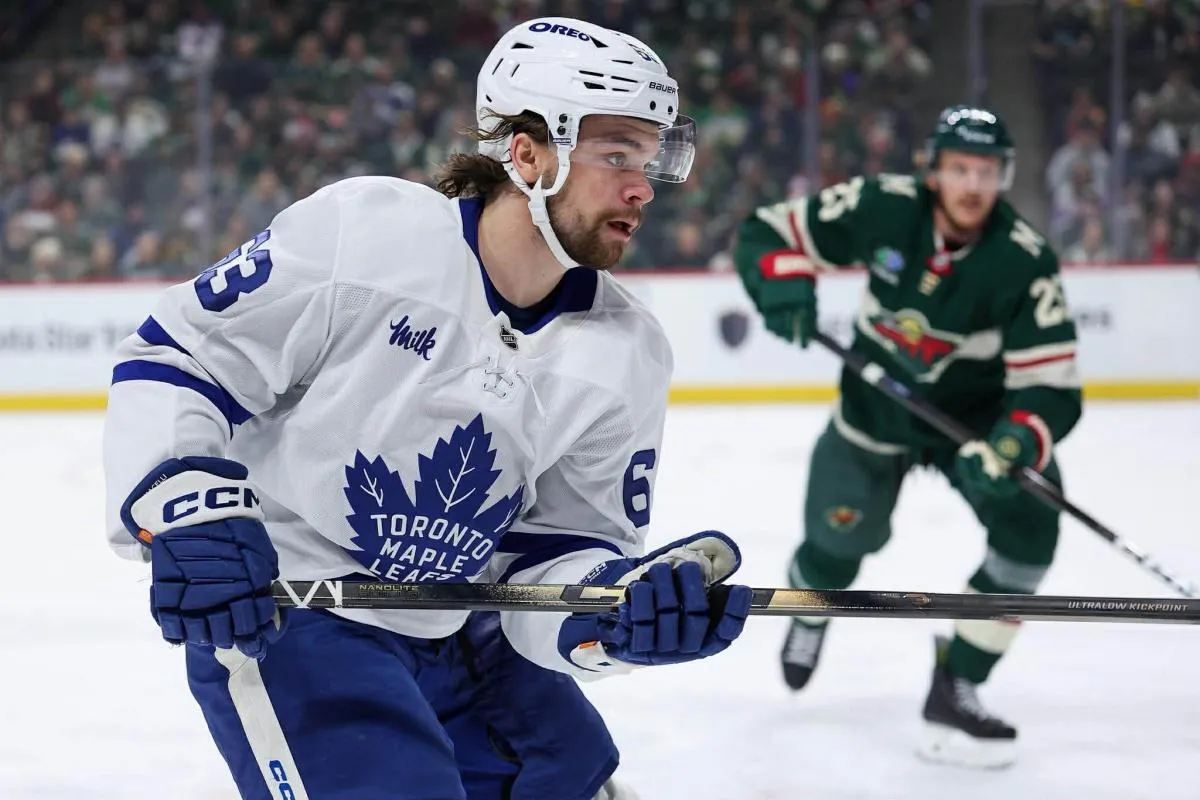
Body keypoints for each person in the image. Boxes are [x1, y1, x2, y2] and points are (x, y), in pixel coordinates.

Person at [103, 17, 752, 800]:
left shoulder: (628, 348)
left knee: (571, 776)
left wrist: (618, 614)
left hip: (462, 622)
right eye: (616, 155)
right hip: (298, 613)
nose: (643, 186)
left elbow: (548, 569)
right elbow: (181, 357)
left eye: (650, 160)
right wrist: (189, 511)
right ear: (526, 153)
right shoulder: (367, 235)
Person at [732, 106, 1081, 769]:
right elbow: (767, 231)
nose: (972, 186)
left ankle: (960, 681)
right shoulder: (883, 206)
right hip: (875, 411)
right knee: (839, 542)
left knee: (1031, 527)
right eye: (958, 169)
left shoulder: (1023, 259)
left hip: (974, 422)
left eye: (985, 171)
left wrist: (1013, 444)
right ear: (932, 171)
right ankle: (812, 609)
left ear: (1003, 176)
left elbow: (1053, 385)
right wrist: (783, 285)